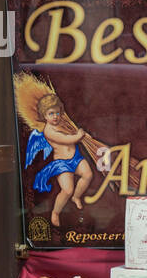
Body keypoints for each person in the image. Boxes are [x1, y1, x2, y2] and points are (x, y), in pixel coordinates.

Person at [23, 94, 94, 226]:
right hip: (62, 164)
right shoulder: (49, 131)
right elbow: (67, 139)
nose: (55, 116)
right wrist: (78, 136)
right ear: (44, 115)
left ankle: (76, 197)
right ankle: (55, 212)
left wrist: (83, 135)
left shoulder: (63, 123)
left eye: (57, 113)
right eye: (51, 113)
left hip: (75, 157)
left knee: (88, 174)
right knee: (67, 190)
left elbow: (73, 132)